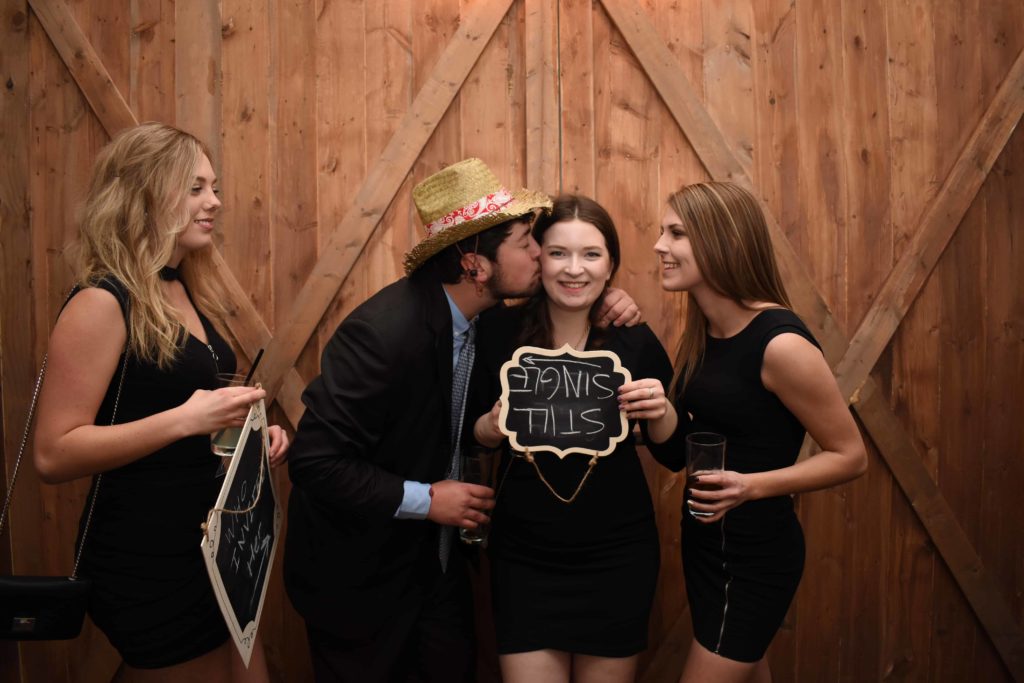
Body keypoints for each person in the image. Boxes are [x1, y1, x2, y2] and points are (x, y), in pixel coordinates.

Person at [284, 160, 640, 683]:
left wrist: (608, 296)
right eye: (525, 243)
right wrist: (428, 500)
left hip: (437, 569)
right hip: (360, 579)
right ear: (476, 265)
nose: (539, 253)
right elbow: (315, 461)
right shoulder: (383, 334)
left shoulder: (483, 323)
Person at [32, 122, 290, 682]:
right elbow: (53, 454)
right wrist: (185, 419)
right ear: (144, 196)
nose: (214, 201)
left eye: (213, 187)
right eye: (195, 188)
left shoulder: (179, 285)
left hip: (211, 549)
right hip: (148, 557)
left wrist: (247, 438)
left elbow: (180, 409)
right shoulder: (102, 302)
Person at [639, 181, 867, 683]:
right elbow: (678, 455)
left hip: (752, 558)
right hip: (707, 549)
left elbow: (851, 456)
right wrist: (657, 409)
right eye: (662, 232)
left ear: (722, 241)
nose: (659, 245)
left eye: (676, 233)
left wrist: (750, 486)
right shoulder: (704, 332)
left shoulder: (780, 343)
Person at [471, 194, 673, 683]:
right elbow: (468, 437)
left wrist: (662, 411)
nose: (574, 269)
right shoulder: (498, 331)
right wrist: (489, 426)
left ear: (611, 266)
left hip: (617, 556)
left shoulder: (633, 338)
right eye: (558, 252)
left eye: (591, 254)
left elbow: (674, 450)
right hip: (524, 556)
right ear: (537, 258)